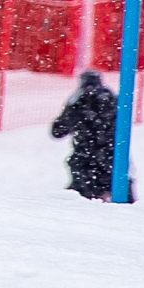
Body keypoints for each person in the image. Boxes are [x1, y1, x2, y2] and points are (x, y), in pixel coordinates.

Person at [52, 71, 122, 201]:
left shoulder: (77, 101)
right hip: (112, 158)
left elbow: (57, 131)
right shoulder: (112, 99)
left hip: (85, 158)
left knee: (79, 200)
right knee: (122, 197)